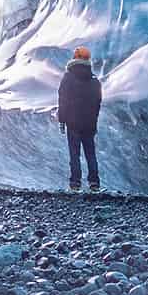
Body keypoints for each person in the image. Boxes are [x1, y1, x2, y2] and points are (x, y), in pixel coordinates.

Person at [56, 46, 103, 191]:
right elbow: (97, 103)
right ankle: (94, 182)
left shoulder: (68, 77)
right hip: (89, 123)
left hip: (73, 121)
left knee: (74, 153)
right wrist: (94, 121)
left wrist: (62, 120)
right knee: (90, 153)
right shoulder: (94, 80)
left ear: (74, 58)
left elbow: (63, 99)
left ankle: (75, 183)